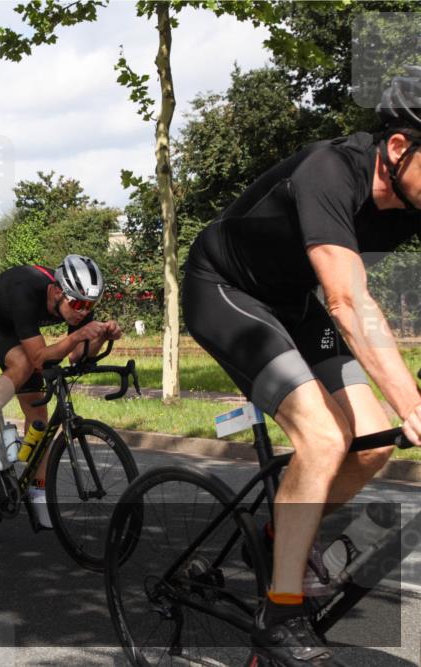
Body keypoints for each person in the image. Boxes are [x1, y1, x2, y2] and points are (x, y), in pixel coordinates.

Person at [182, 67, 421, 666]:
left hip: (289, 302)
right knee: (321, 436)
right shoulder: (328, 172)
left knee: (372, 441)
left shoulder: (412, 197)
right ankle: (279, 614)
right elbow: (347, 301)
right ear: (399, 147)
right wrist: (413, 403)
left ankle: (276, 536)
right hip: (224, 290)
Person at [0, 255, 122, 486]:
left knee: (39, 418)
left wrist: (102, 336)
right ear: (57, 292)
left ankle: (37, 494)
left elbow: (77, 355)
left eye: (90, 306)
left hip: (15, 330)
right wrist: (77, 335)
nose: (83, 312)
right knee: (23, 363)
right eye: (78, 305)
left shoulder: (78, 301)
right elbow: (38, 359)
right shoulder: (25, 289)